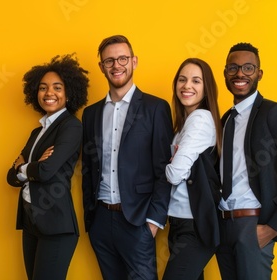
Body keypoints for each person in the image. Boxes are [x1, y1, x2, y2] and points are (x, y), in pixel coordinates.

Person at [216, 42, 277, 280]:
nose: (240, 73)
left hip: (252, 226)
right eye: (233, 68)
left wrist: (272, 228)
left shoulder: (274, 113)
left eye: (248, 68)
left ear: (259, 74)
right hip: (223, 227)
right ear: (225, 74)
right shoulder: (225, 121)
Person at [81, 34, 173, 280]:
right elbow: (88, 169)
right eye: (109, 61)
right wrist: (91, 216)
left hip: (137, 221)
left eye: (122, 58)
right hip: (100, 220)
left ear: (134, 61)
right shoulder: (90, 114)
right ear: (102, 67)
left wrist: (153, 222)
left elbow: (164, 168)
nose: (116, 65)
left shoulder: (156, 108)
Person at [6, 54, 89, 280]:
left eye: (57, 87)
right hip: (32, 222)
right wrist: (29, 168)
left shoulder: (71, 126)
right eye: (43, 88)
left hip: (56, 225)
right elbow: (10, 177)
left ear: (69, 93)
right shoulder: (37, 132)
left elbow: (46, 170)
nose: (49, 93)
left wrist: (25, 169)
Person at [162, 58, 222, 280]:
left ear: (206, 89)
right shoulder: (183, 125)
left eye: (196, 81)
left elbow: (175, 173)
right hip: (179, 221)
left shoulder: (200, 119)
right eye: (182, 80)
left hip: (193, 225)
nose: (187, 86)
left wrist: (171, 164)